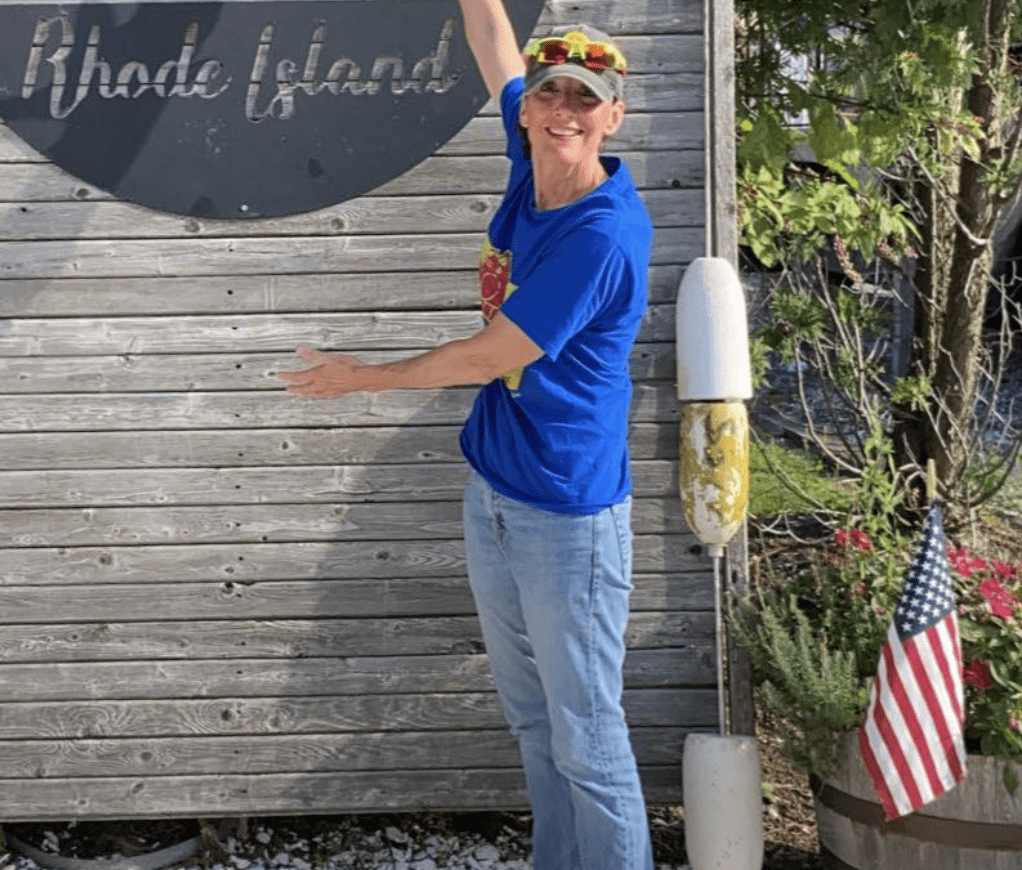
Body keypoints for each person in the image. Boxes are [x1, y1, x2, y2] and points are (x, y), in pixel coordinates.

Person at [278, 0, 654, 865]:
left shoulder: (603, 235)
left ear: (613, 117)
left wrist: (363, 378)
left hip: (568, 517)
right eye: (551, 93)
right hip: (495, 490)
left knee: (588, 741)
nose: (564, 111)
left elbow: (491, 356)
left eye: (585, 100)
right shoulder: (532, 162)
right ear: (528, 108)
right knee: (534, 723)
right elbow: (492, 35)